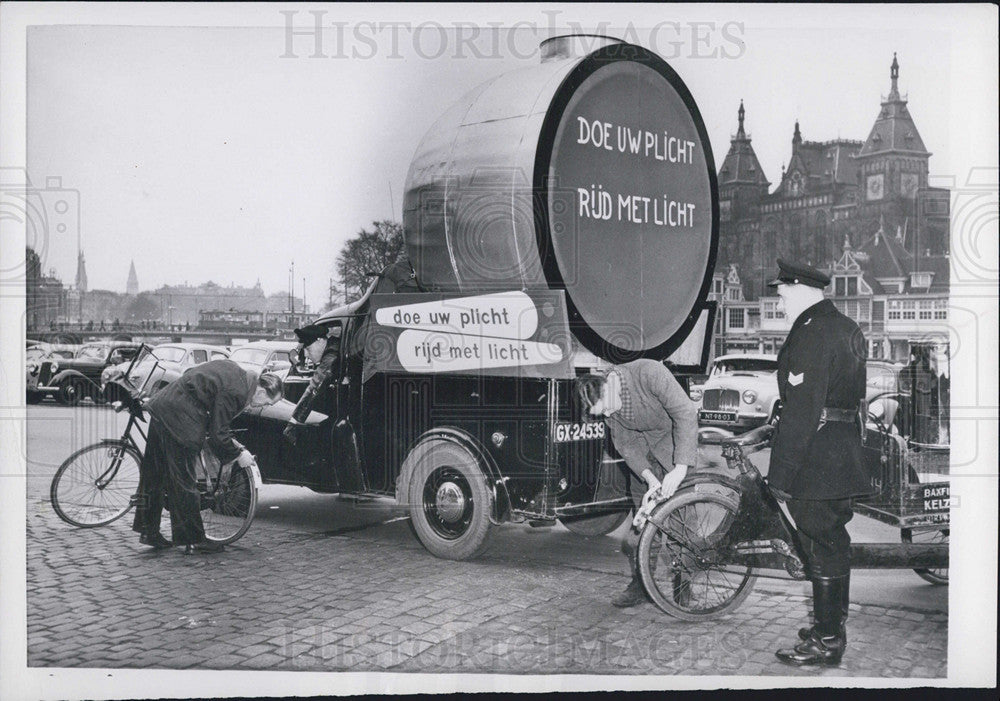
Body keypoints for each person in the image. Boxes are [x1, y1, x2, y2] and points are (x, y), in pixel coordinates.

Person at [766, 259, 871, 667]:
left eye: (780, 293)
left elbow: (803, 410)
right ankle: (832, 627)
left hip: (814, 459)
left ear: (798, 289)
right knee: (832, 543)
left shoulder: (812, 333)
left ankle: (827, 642)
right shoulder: (846, 327)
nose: (778, 302)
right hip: (841, 455)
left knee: (820, 546)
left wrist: (781, 473)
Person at [576, 359, 698, 607]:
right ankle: (641, 584)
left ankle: (683, 585)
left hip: (673, 448)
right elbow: (626, 444)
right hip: (643, 461)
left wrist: (680, 468)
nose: (609, 416)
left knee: (682, 521)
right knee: (642, 522)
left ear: (609, 387)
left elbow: (685, 413)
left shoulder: (649, 373)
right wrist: (650, 479)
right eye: (604, 415)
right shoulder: (608, 404)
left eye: (606, 409)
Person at [132, 360, 283, 553]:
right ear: (261, 391)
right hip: (181, 418)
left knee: (153, 473)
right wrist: (238, 455)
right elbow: (218, 434)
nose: (264, 406)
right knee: (184, 480)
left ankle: (148, 530)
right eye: (268, 402)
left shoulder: (237, 371)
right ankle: (193, 540)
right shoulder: (237, 392)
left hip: (163, 406)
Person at [283, 323, 340, 445]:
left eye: (308, 349)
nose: (307, 355)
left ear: (320, 341)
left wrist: (294, 422)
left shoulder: (332, 354)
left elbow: (315, 386)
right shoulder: (333, 349)